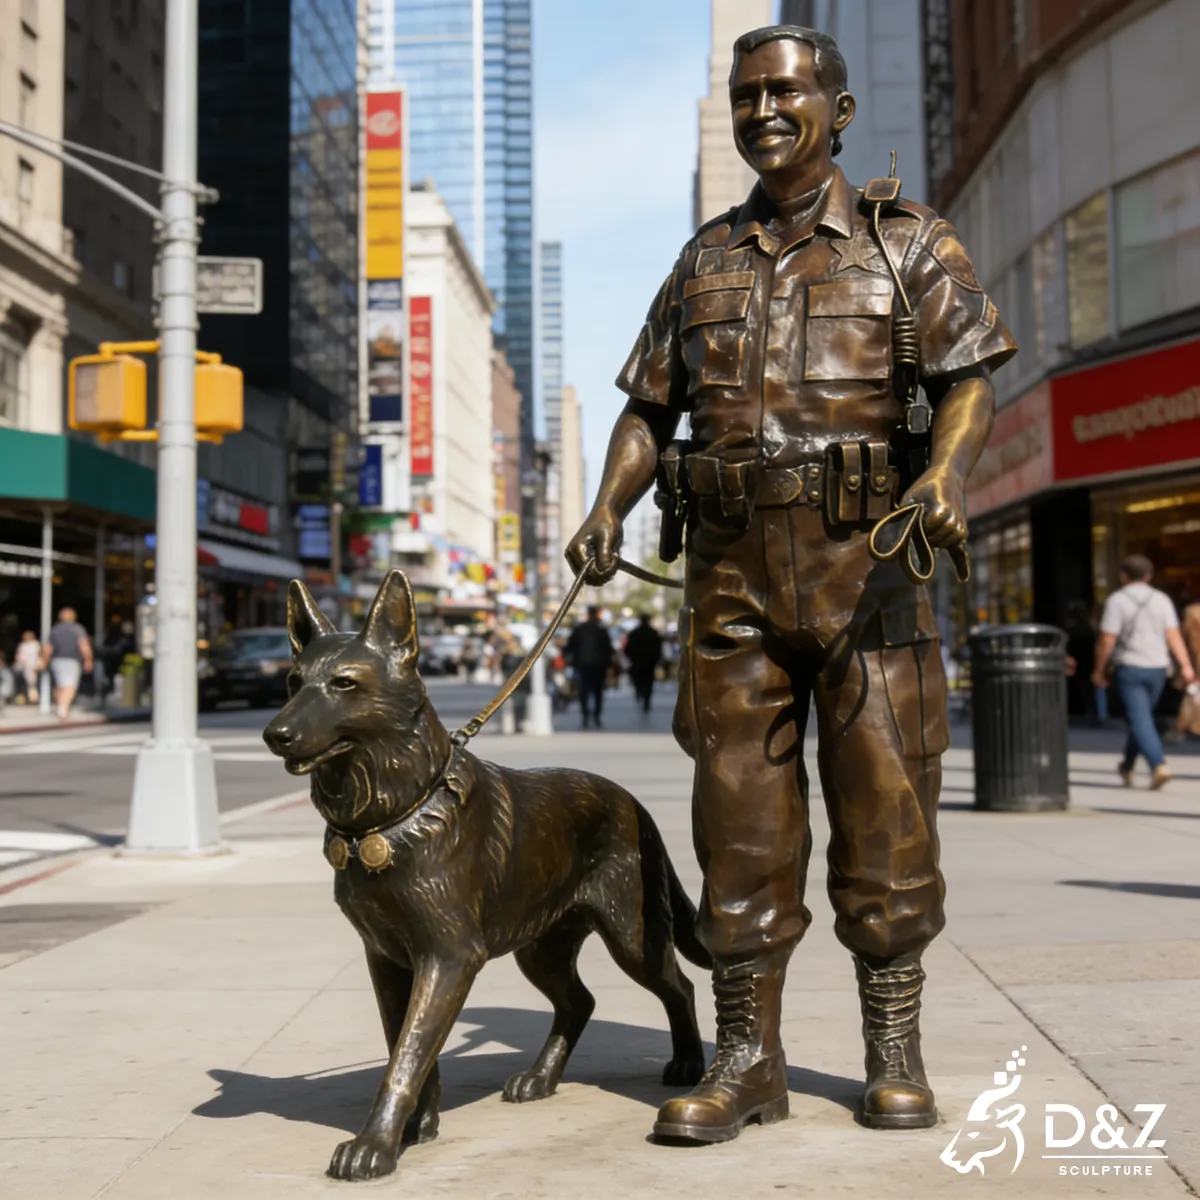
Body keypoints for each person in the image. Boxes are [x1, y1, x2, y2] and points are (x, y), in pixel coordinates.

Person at [566, 24, 1016, 1142]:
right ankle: (747, 1060)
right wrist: (606, 506)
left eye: (785, 91)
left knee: (887, 819)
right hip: (730, 579)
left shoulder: (909, 246)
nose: (764, 110)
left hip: (872, 573)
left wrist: (948, 475)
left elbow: (968, 381)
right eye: (745, 94)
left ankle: (893, 1053)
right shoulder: (702, 257)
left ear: (840, 109)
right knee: (740, 831)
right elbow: (646, 410)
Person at [1093, 556, 1195, 788]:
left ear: (1123, 576)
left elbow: (1107, 639)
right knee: (1142, 719)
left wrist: (1099, 668)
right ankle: (1127, 766)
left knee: (1140, 719)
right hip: (1158, 668)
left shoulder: (1117, 600)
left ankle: (1158, 764)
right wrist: (1186, 665)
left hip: (1129, 667)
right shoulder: (1161, 600)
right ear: (1148, 576)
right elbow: (1173, 635)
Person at [565, 606, 614, 729]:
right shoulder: (601, 630)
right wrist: (608, 664)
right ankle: (596, 716)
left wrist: (570, 659)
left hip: (583, 665)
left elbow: (570, 646)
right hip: (598, 665)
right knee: (598, 691)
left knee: (584, 691)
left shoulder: (580, 629)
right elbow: (608, 649)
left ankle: (585, 715)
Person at [41, 607, 94, 720]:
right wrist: (88, 660)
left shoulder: (54, 630)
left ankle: (61, 706)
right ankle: (63, 709)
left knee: (60, 686)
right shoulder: (77, 629)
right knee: (70, 686)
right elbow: (84, 645)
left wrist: (44, 662)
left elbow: (47, 648)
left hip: (56, 660)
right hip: (72, 660)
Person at [624, 614, 664, 713]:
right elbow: (658, 648)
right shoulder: (653, 633)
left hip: (637, 661)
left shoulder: (634, 633)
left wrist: (631, 658)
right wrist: (657, 659)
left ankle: (640, 693)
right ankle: (646, 699)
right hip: (649, 662)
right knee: (648, 681)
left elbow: (627, 649)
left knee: (638, 679)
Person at [14, 631, 42, 705]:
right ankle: (29, 697)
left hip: (33, 666)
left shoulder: (35, 644)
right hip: (25, 666)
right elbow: (19, 656)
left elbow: (39, 654)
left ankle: (33, 698)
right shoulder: (23, 645)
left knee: (32, 683)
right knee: (28, 683)